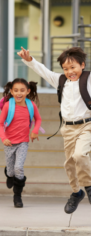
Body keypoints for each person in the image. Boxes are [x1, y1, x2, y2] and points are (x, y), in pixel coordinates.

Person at [18, 33, 91, 214]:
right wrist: (30, 60)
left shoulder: (89, 80)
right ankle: (76, 192)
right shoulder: (60, 81)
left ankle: (90, 186)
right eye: (65, 68)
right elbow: (43, 71)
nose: (70, 71)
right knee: (69, 163)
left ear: (82, 65)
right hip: (67, 128)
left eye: (73, 67)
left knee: (79, 156)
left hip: (85, 126)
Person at [0, 79, 42, 208]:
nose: (19, 93)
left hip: (23, 142)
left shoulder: (31, 105)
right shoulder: (8, 105)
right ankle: (9, 173)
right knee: (12, 171)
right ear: (11, 91)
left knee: (19, 168)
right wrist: (3, 138)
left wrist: (35, 131)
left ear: (28, 91)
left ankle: (17, 196)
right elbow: (1, 124)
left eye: (22, 90)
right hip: (9, 143)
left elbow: (38, 119)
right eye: (16, 90)